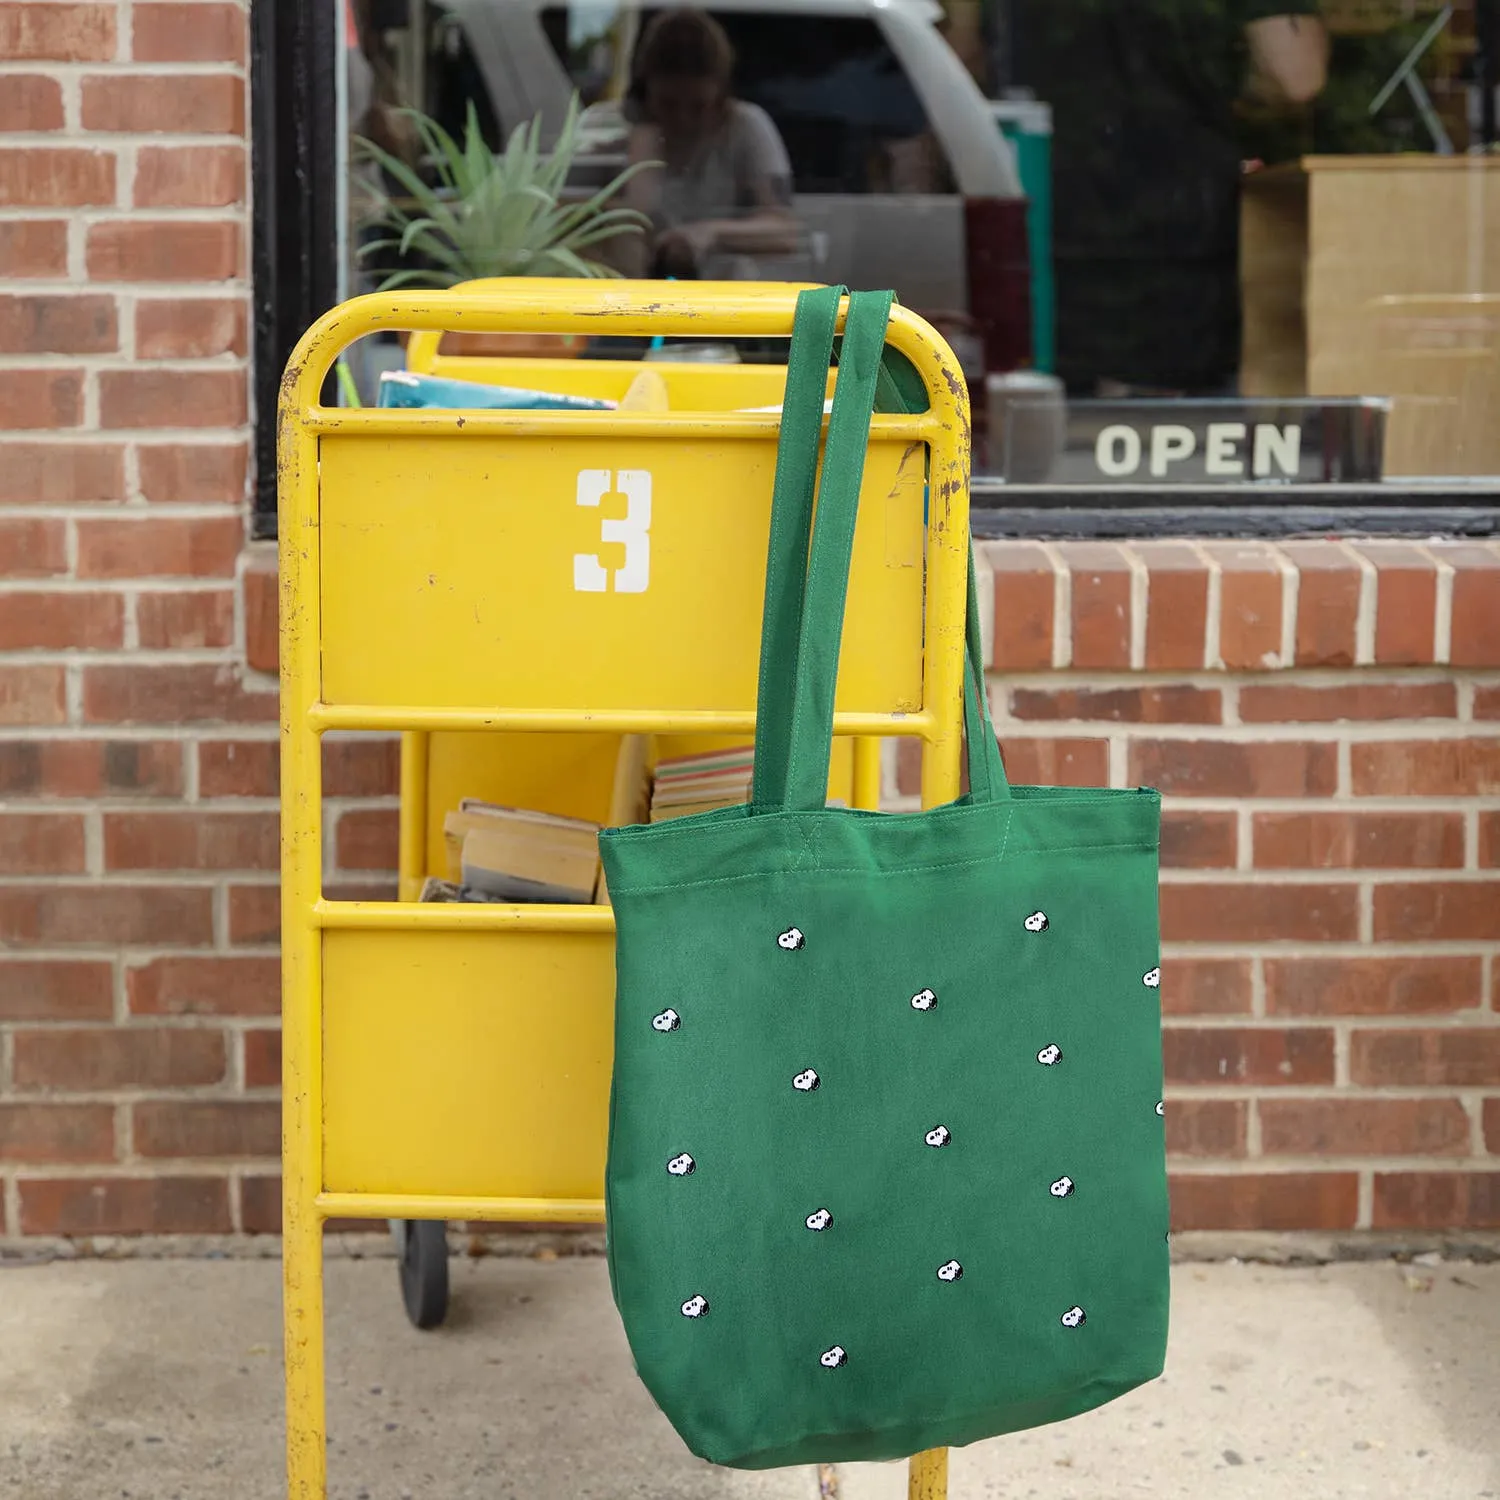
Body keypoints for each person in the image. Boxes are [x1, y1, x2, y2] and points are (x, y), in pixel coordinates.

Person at [1012, 0, 1329, 396]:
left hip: (1036, 222)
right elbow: (1295, 76)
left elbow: (958, 54)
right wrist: (1232, 96)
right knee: (1181, 434)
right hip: (1179, 240)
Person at [613, 7, 800, 279]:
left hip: (723, 296)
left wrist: (710, 233)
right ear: (644, 92)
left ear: (721, 94)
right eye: (668, 104)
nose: (683, 119)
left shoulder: (746, 127)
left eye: (698, 106)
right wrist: (642, 151)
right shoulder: (619, 130)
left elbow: (784, 231)